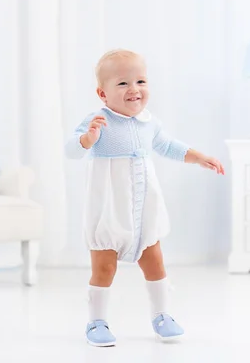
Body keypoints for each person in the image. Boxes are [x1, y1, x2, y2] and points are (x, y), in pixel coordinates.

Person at [65, 49, 225, 347]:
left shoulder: (149, 122)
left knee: (154, 261)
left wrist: (199, 156)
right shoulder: (98, 121)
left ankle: (162, 315)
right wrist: (87, 140)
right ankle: (96, 321)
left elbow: (168, 146)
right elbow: (71, 149)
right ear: (103, 93)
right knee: (104, 266)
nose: (134, 89)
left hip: (144, 207)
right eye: (123, 83)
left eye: (141, 81)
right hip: (110, 207)